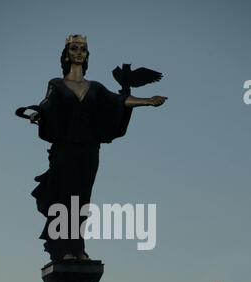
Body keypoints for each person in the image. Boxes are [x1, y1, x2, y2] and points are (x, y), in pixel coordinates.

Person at [30, 35, 167, 262]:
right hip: (65, 150)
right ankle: (62, 249)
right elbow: (47, 105)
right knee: (65, 198)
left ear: (87, 55)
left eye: (83, 49)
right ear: (66, 55)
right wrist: (38, 114)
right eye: (74, 48)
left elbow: (119, 100)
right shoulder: (56, 83)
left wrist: (147, 101)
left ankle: (78, 249)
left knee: (83, 199)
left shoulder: (95, 87)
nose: (79, 52)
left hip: (89, 150)